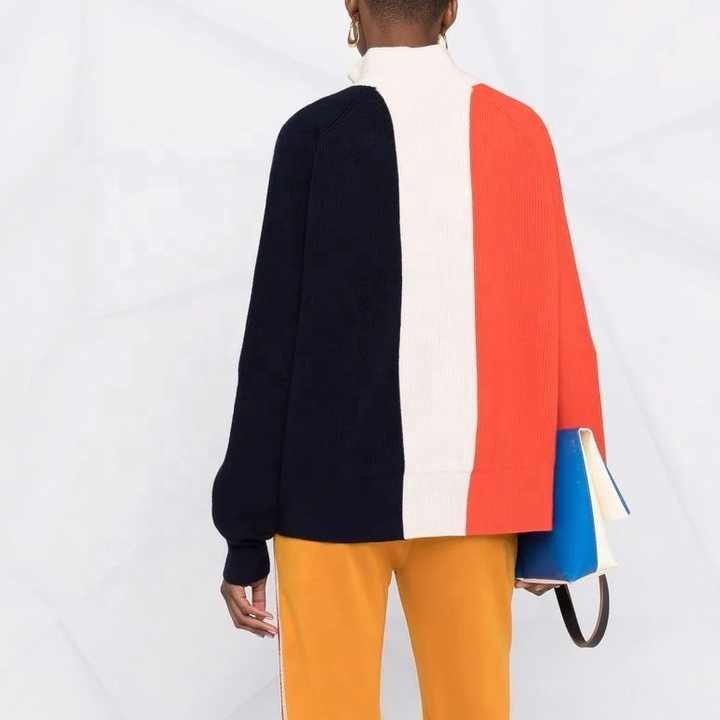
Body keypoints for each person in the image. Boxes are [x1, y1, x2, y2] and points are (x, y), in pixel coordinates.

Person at [211, 1, 607, 718]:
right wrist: (565, 512)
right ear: (451, 8)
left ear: (352, 5)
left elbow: (270, 346)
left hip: (325, 498)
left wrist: (244, 530)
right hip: (477, 498)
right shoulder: (520, 133)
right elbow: (562, 327)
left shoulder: (313, 137)